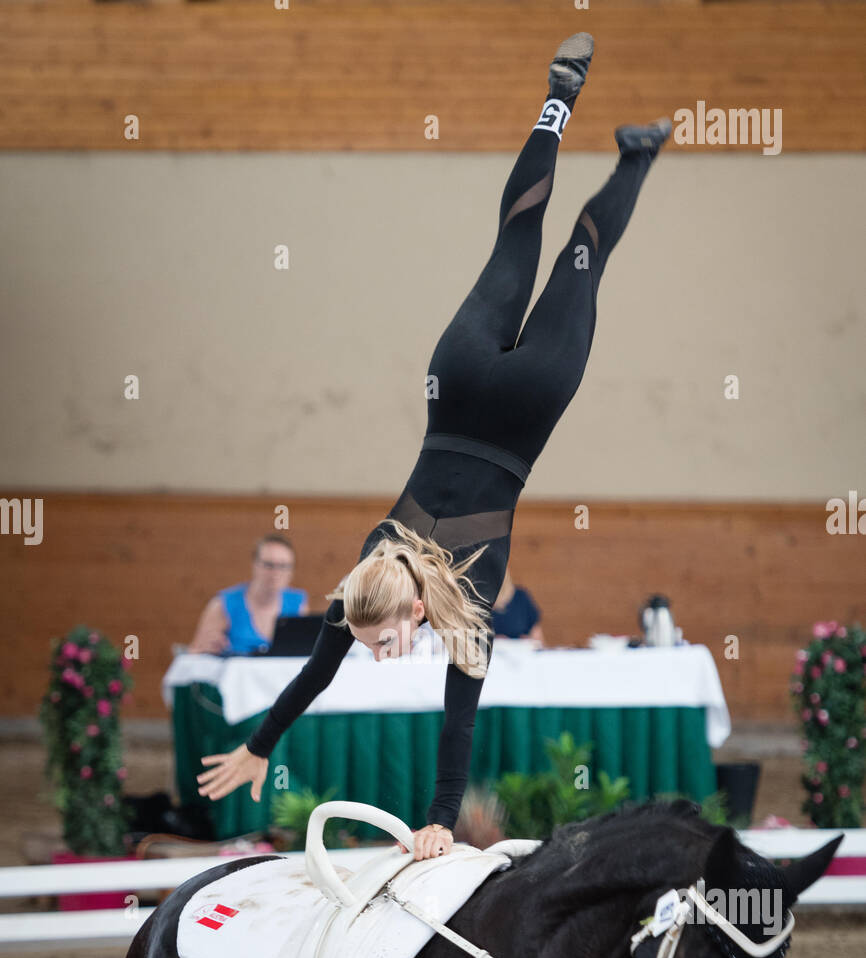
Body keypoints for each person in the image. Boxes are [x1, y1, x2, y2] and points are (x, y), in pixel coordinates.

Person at [197, 32, 671, 859]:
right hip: (453, 384)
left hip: (524, 411)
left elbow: (457, 720)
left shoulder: (462, 599)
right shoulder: (368, 569)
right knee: (516, 242)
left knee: (579, 265)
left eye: (385, 643)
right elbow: (318, 671)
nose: (383, 656)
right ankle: (559, 99)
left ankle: (635, 160)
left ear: (414, 608)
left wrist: (440, 821)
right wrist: (260, 748)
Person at [187, 534, 308, 655]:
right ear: (255, 565)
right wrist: (201, 650)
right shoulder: (222, 604)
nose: (275, 573)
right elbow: (194, 656)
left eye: (284, 566)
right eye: (268, 565)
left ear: (292, 571)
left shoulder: (298, 604)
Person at [492, 567, 544, 643]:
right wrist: (493, 642)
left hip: (520, 653)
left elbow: (538, 641)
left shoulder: (521, 598)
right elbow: (474, 648)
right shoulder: (475, 604)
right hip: (492, 653)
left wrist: (527, 642)